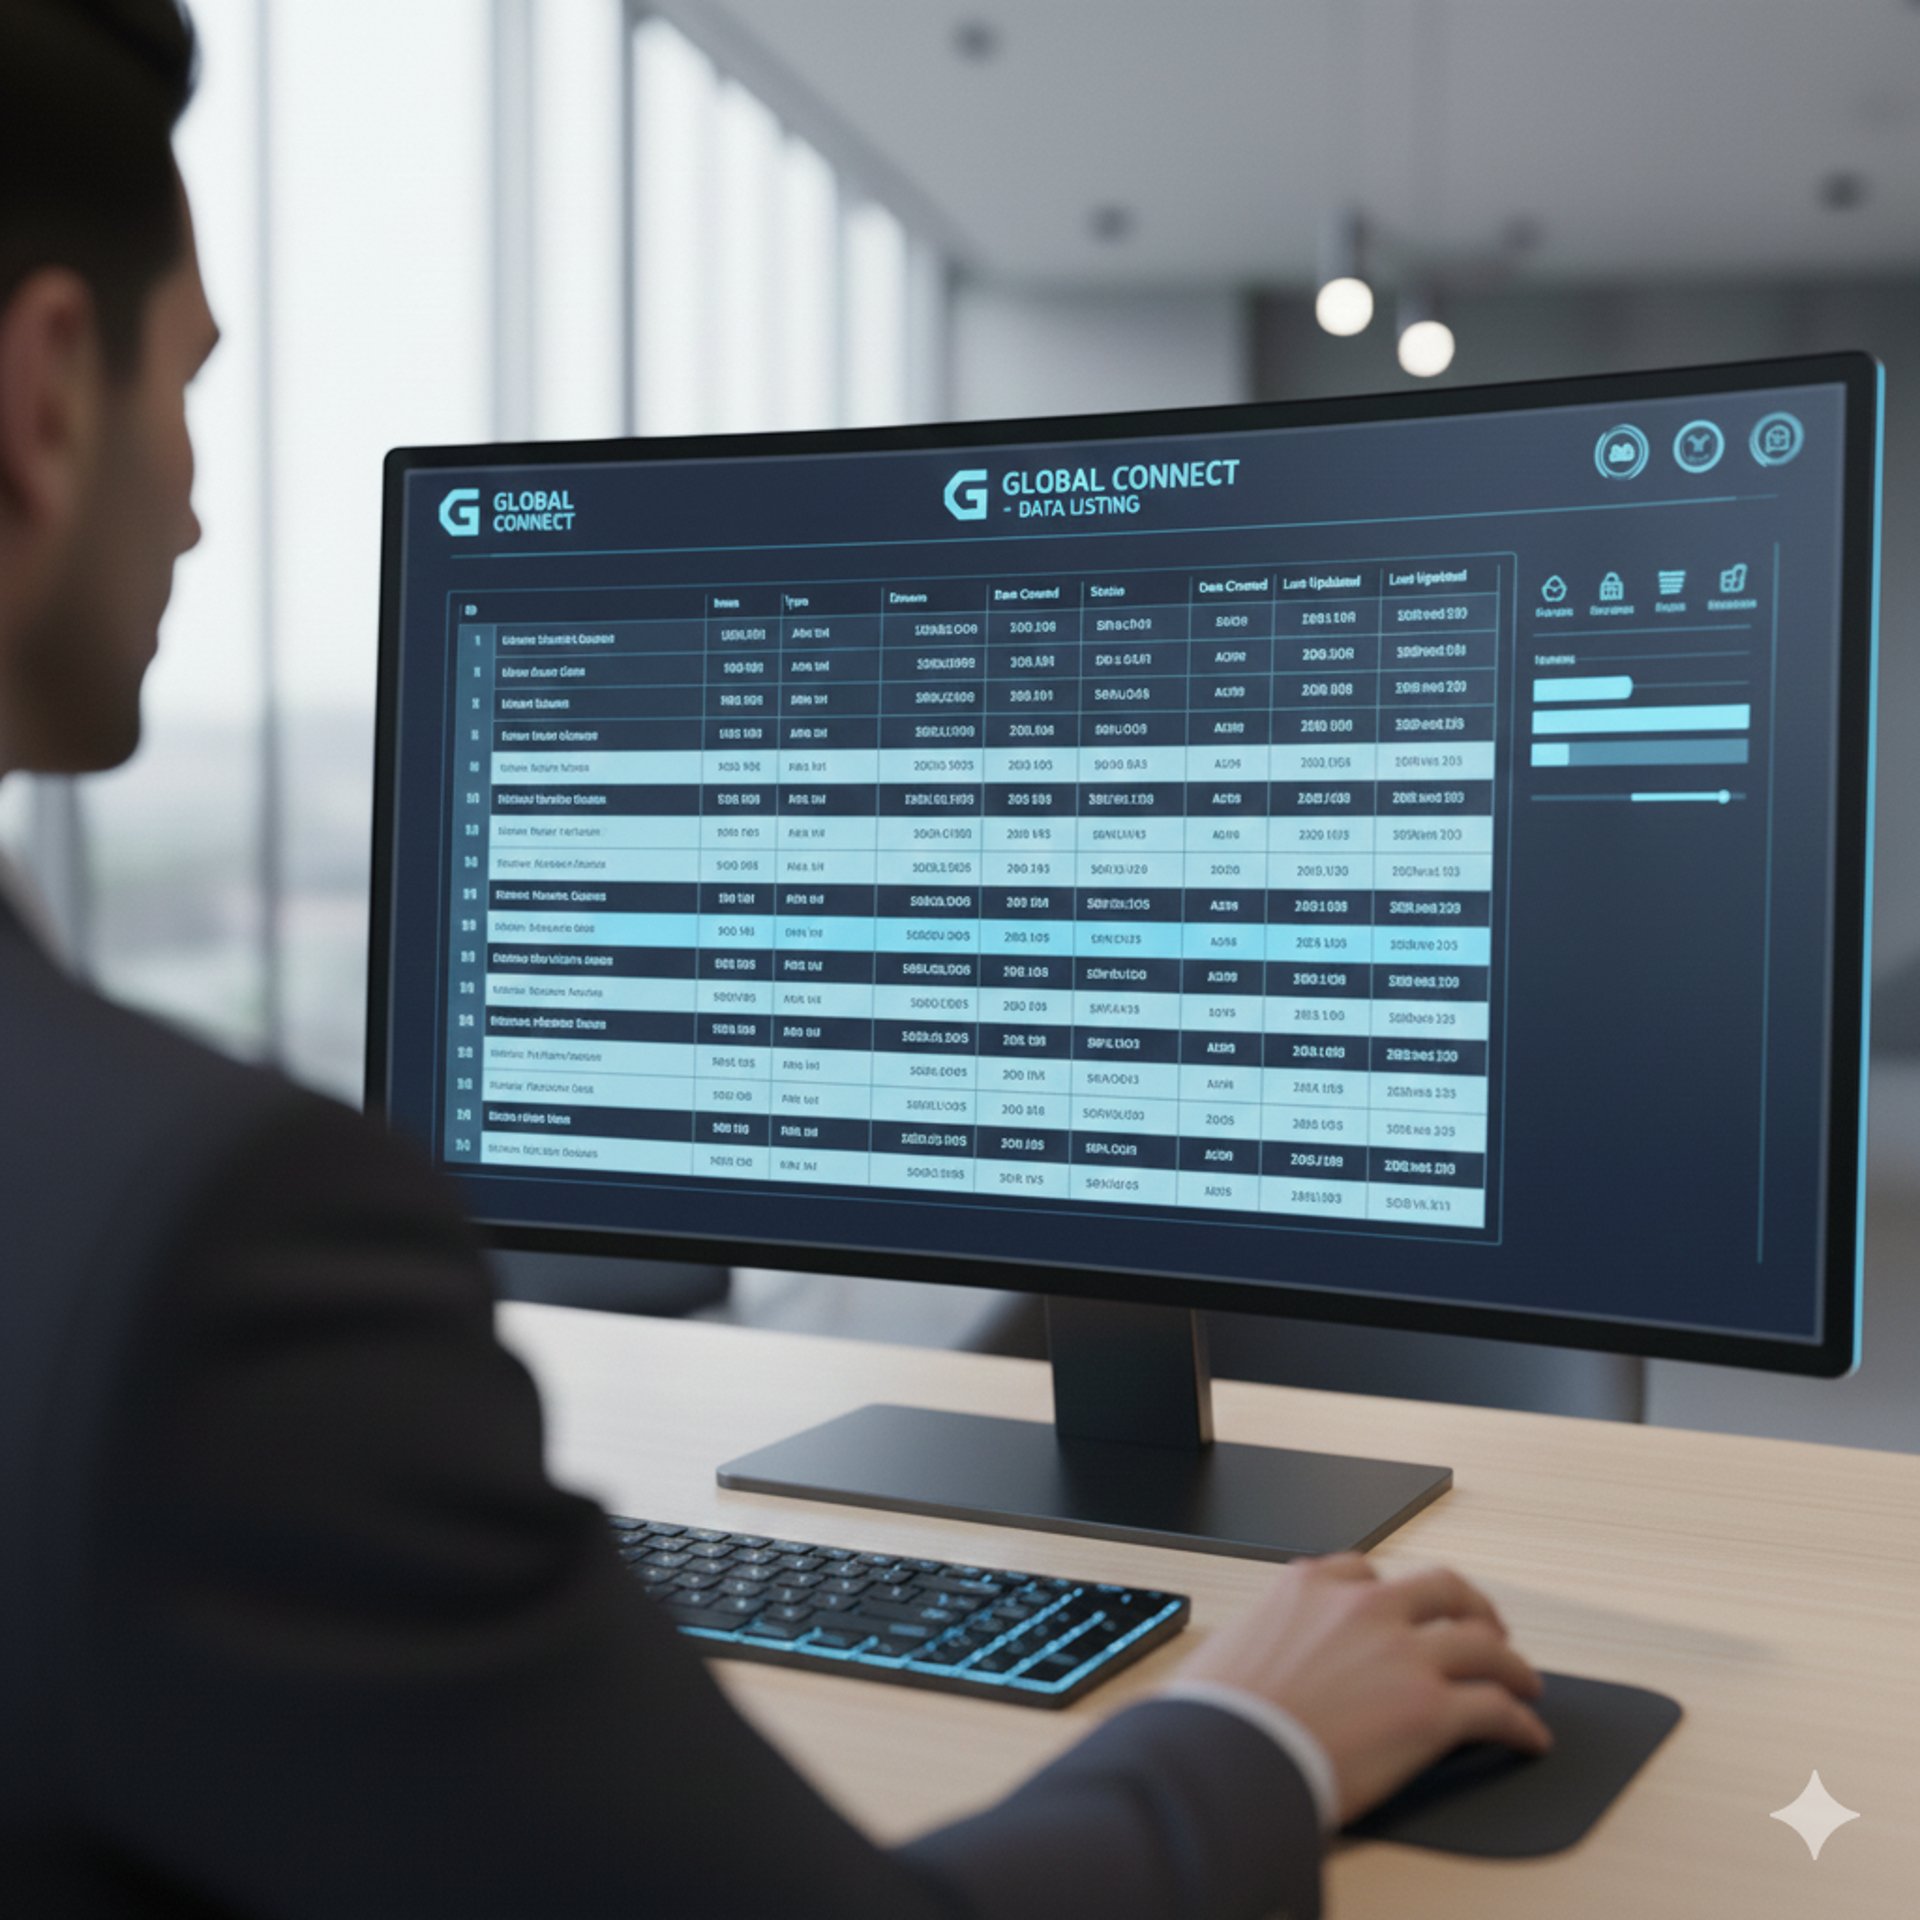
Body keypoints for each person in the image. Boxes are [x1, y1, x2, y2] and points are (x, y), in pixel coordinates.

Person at [0, 3, 1552, 1913]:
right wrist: (1259, 1737)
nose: (197, 501)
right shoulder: (195, 1241)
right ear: (45, 397)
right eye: (189, 390)